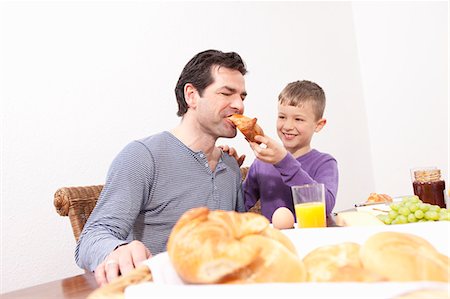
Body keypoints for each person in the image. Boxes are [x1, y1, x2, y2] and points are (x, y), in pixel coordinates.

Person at [75, 49, 248, 285]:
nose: (239, 104)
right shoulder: (142, 156)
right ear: (192, 96)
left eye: (242, 97)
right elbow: (91, 238)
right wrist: (118, 249)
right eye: (226, 93)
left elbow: (240, 238)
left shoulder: (230, 167)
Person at [244, 80, 338, 221]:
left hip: (310, 239)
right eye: (282, 117)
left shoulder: (325, 163)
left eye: (298, 119)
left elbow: (326, 206)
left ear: (319, 125)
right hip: (273, 241)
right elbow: (239, 204)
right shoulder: (261, 163)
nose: (288, 126)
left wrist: (284, 162)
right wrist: (229, 170)